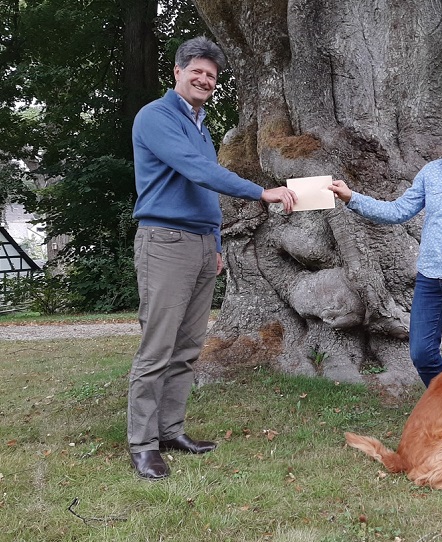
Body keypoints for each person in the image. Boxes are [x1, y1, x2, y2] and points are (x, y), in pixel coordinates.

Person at [128, 36, 298, 480]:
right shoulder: (156, 117)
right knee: (158, 347)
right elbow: (198, 170)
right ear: (177, 73)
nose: (204, 79)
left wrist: (217, 246)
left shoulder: (201, 125)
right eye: (196, 71)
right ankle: (143, 444)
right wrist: (262, 191)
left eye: (212, 75)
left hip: (202, 246)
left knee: (187, 348)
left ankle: (170, 430)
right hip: (164, 242)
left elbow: (202, 193)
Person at [329, 93, 442, 387]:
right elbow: (397, 211)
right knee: (422, 352)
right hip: (430, 278)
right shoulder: (432, 172)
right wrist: (352, 197)